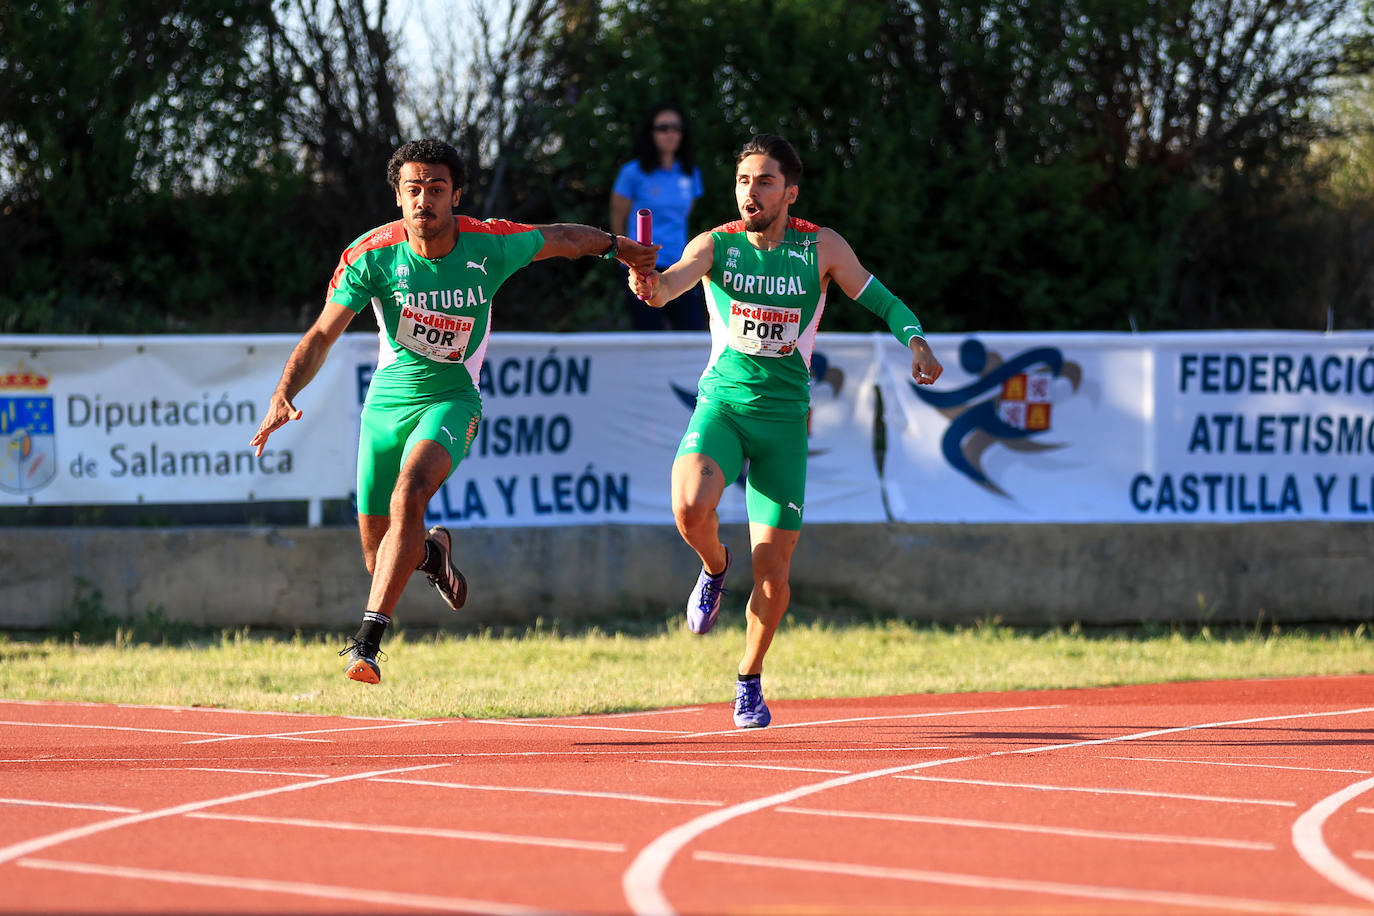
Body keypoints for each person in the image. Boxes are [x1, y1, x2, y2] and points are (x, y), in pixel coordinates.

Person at [250, 138, 658, 684]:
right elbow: (323, 334)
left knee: (410, 493)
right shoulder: (371, 255)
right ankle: (432, 552)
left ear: (455, 196)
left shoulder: (489, 245)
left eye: (436, 190)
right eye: (413, 189)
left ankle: (366, 644)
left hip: (452, 398)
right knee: (380, 559)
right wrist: (285, 392)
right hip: (387, 405)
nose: (425, 201)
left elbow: (561, 239)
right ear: (398, 196)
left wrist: (618, 247)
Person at [628, 133, 943, 728]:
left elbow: (881, 299)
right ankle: (715, 567)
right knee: (691, 507)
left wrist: (917, 342)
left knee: (773, 571)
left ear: (789, 193)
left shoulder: (819, 246)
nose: (751, 192)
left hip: (783, 424)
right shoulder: (716, 244)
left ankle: (748, 678)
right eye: (744, 180)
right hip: (722, 407)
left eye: (765, 181)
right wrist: (651, 286)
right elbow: (671, 282)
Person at [610, 104, 705, 330]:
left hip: (680, 266)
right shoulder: (632, 172)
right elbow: (617, 214)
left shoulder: (690, 173)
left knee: (691, 334)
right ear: (651, 133)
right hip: (641, 266)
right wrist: (622, 257)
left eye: (676, 128)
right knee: (648, 337)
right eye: (663, 128)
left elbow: (684, 215)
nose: (670, 133)